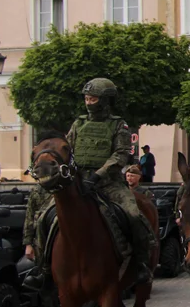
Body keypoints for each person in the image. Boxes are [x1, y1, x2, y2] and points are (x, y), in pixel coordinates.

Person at [67, 78, 157, 284]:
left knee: (133, 215)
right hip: (80, 182)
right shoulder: (78, 123)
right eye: (87, 98)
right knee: (47, 213)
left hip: (109, 183)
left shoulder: (118, 125)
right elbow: (68, 150)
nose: (89, 102)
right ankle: (42, 269)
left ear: (105, 101)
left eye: (93, 98)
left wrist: (98, 175)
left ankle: (141, 262)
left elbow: (120, 155)